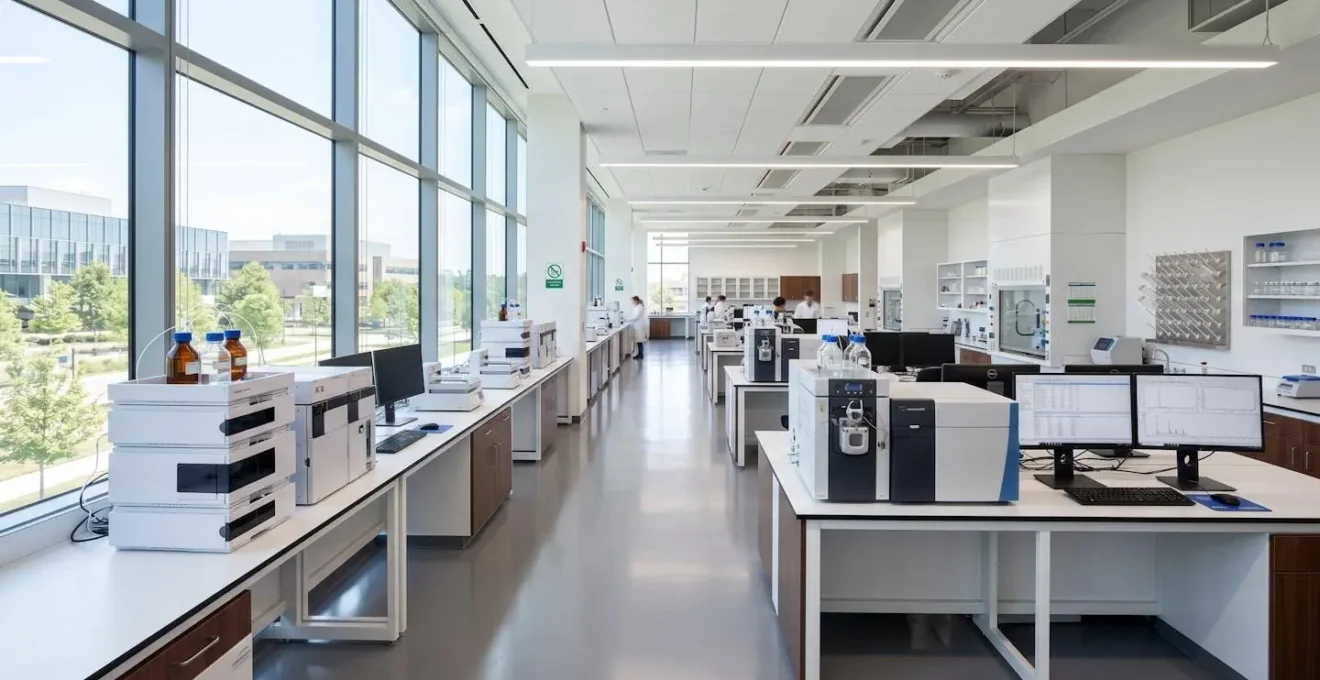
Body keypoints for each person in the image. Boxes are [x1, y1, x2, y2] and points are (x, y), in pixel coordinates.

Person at [625, 295, 649, 359]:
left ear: (636, 301)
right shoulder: (637, 307)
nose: (632, 302)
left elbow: (636, 317)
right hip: (638, 326)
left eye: (632, 301)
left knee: (639, 341)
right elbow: (634, 316)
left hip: (640, 327)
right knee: (638, 341)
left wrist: (625, 319)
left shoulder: (639, 307)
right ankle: (640, 354)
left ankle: (640, 355)